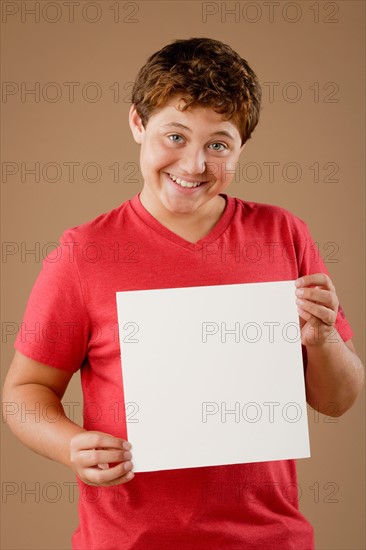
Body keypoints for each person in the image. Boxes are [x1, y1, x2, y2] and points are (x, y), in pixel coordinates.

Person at [3, 37, 364, 550]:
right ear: (137, 124)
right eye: (175, 136)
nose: (193, 165)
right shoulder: (84, 253)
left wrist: (323, 339)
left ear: (240, 148)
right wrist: (71, 446)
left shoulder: (284, 234)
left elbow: (337, 400)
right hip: (126, 541)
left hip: (269, 540)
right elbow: (23, 393)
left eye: (218, 144)